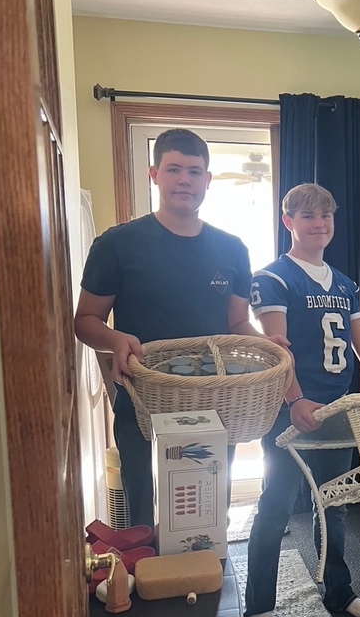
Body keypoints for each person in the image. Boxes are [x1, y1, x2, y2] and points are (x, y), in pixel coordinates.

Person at [75, 128, 284, 527]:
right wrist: (116, 338)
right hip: (141, 403)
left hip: (214, 405)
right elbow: (85, 322)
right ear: (155, 174)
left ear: (207, 180)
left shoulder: (233, 248)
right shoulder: (116, 245)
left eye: (194, 171)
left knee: (206, 516)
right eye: (174, 170)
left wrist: (266, 342)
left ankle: (204, 579)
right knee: (142, 516)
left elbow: (237, 322)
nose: (184, 180)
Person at [243, 183, 360, 617]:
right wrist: (294, 399)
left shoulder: (345, 282)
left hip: (337, 408)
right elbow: (277, 347)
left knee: (332, 505)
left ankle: (339, 590)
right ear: (288, 221)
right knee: (275, 506)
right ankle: (259, 605)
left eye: (326, 216)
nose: (319, 224)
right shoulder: (273, 278)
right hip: (290, 408)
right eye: (308, 216)